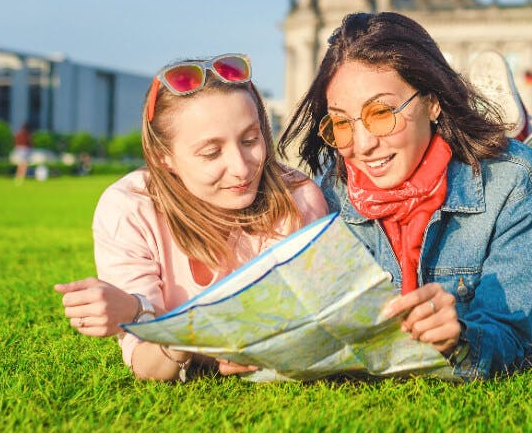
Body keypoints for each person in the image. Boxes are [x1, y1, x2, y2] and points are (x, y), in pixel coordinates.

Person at [279, 12, 532, 380]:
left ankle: (512, 139)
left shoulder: (513, 180)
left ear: (433, 102)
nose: (364, 145)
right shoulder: (331, 193)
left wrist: (461, 339)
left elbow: (508, 334)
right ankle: (505, 133)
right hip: (512, 188)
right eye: (341, 122)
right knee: (524, 173)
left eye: (382, 113)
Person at [55, 54, 329, 382]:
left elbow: (309, 330)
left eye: (250, 140)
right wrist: (148, 320)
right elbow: (146, 363)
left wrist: (150, 318)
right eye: (211, 153)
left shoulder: (296, 199)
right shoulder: (129, 209)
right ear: (163, 156)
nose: (242, 168)